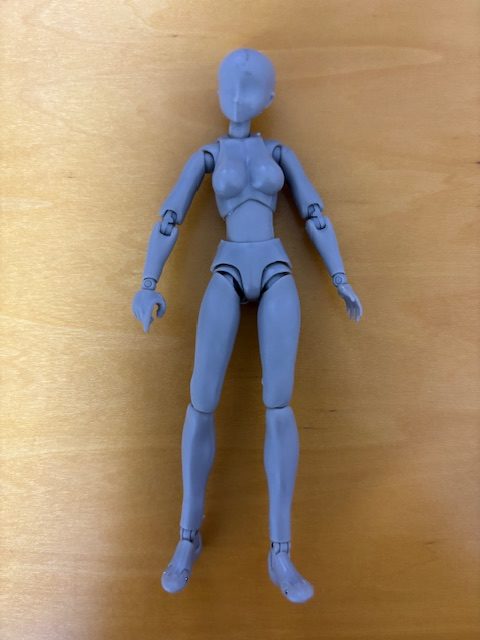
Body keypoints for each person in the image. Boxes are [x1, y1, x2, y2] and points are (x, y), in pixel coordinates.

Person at [132, 48, 363, 603]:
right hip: (228, 266)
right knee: (201, 399)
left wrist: (340, 276)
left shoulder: (278, 152)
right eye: (228, 83)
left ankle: (281, 553)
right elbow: (170, 217)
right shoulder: (208, 155)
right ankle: (186, 538)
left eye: (251, 84)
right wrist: (147, 283)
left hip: (277, 269)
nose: (237, 93)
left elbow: (315, 213)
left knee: (279, 404)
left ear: (270, 97)